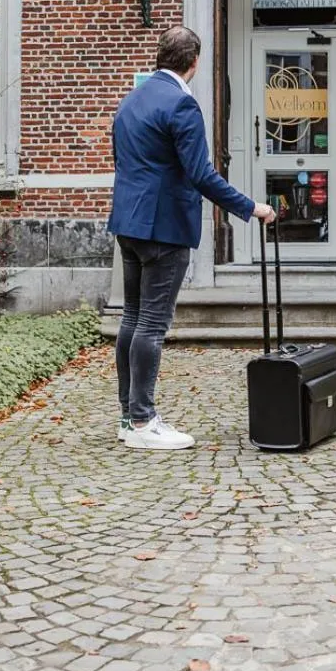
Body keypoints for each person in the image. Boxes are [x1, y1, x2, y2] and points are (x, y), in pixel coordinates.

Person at [107, 26, 276, 451]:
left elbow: (126, 161)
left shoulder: (131, 100)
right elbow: (201, 174)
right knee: (150, 323)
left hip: (128, 224)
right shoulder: (182, 104)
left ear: (161, 56)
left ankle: (128, 416)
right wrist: (251, 207)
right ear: (194, 62)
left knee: (131, 318)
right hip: (164, 228)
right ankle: (144, 421)